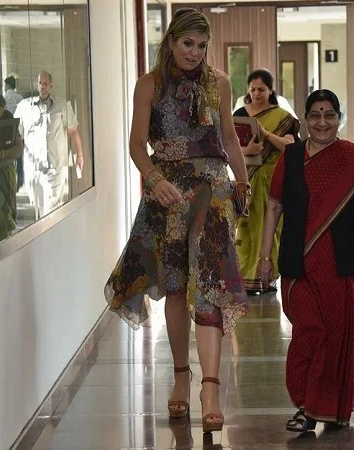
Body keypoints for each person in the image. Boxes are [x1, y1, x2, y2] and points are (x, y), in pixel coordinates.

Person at [103, 8, 250, 432]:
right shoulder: (148, 84)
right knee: (176, 289)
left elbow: (228, 139)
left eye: (202, 46)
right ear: (171, 42)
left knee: (210, 287)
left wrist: (242, 184)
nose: (195, 53)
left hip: (212, 192)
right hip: (167, 193)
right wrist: (154, 178)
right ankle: (181, 378)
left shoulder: (219, 82)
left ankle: (210, 387)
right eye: (188, 44)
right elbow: (135, 144)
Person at [258, 89, 354, 431]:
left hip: (343, 263)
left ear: (339, 118)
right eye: (315, 115)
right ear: (304, 119)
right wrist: (263, 257)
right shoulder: (291, 158)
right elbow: (274, 206)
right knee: (308, 330)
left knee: (338, 335)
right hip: (299, 262)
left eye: (329, 115)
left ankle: (327, 408)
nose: (322, 122)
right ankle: (304, 403)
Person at [233, 69, 299, 294]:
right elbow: (227, 149)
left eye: (261, 89)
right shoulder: (240, 114)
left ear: (271, 90)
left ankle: (266, 277)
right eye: (252, 89)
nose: (256, 94)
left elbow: (290, 147)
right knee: (246, 228)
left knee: (272, 228)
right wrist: (248, 150)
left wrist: (267, 134)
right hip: (247, 177)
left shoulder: (282, 117)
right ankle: (246, 278)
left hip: (273, 180)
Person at [14, 71, 83, 218]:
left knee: (53, 208)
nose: (43, 86)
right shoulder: (25, 106)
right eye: (40, 83)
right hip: (34, 167)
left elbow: (73, 131)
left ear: (51, 86)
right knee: (38, 207)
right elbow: (17, 135)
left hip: (55, 165)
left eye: (45, 84)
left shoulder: (63, 105)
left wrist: (79, 155)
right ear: (36, 85)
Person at [0, 74, 23, 246]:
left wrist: (1, 155)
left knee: (4, 218)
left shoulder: (7, 117)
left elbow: (19, 148)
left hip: (4, 175)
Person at [233, 92, 298, 119]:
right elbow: (236, 122)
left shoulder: (281, 100)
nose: (257, 93)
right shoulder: (241, 100)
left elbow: (291, 122)